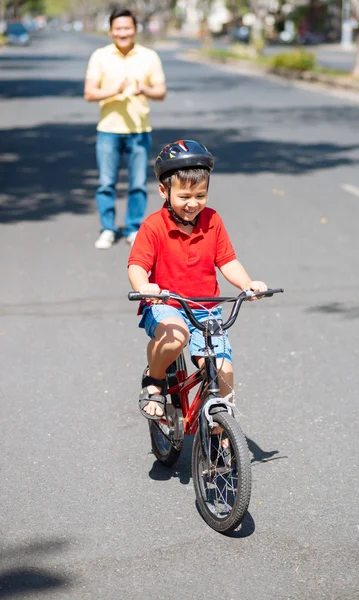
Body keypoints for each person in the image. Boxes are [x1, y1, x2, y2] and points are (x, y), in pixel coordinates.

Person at [127, 140, 268, 420]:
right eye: (184, 196)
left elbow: (227, 261)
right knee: (175, 335)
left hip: (207, 308)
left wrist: (247, 284)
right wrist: (144, 287)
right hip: (167, 303)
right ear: (163, 191)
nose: (193, 204)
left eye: (201, 195)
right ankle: (154, 381)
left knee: (223, 372)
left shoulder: (212, 220)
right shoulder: (154, 226)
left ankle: (218, 429)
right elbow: (137, 266)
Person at [84, 7, 167, 249]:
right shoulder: (100, 56)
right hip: (108, 129)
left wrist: (144, 89)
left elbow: (160, 92)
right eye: (118, 28)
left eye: (127, 28)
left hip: (139, 129)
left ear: (135, 30)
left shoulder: (149, 56)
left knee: (138, 183)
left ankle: (133, 228)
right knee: (106, 183)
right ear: (111, 31)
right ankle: (108, 229)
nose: (123, 32)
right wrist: (115, 90)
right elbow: (89, 93)